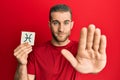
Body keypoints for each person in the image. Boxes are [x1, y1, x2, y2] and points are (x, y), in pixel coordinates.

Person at [14, 4, 107, 80]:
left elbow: (91, 65)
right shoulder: (36, 52)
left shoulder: (82, 51)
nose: (61, 29)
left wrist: (95, 69)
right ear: (49, 25)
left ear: (71, 25)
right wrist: (21, 64)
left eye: (66, 23)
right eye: (56, 23)